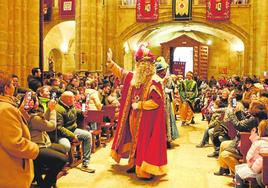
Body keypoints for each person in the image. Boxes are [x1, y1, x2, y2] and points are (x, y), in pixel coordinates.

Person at [107, 44, 167, 180]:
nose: (144, 66)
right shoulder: (134, 78)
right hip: (133, 116)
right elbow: (121, 72)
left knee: (144, 142)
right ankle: (134, 163)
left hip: (147, 119)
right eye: (141, 63)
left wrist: (140, 105)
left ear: (151, 65)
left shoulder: (155, 81)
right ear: (138, 64)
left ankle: (145, 169)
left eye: (147, 63)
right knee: (135, 141)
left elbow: (157, 102)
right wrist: (111, 63)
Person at [0, 71, 39, 188]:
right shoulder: (6, 109)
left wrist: (21, 112)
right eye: (12, 84)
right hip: (10, 168)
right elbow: (14, 143)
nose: (15, 87)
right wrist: (34, 148)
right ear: (6, 88)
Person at [19, 93, 68, 188]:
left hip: (42, 143)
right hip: (37, 146)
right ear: (32, 103)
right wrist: (53, 110)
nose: (38, 102)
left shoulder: (28, 114)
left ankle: (48, 178)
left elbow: (43, 120)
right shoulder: (33, 118)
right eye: (36, 100)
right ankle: (45, 184)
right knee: (62, 159)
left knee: (63, 149)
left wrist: (49, 109)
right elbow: (51, 126)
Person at [55, 91, 95, 173]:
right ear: (68, 99)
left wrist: (82, 112)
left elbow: (75, 111)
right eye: (73, 97)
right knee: (66, 146)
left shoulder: (70, 105)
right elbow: (59, 127)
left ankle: (85, 164)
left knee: (87, 135)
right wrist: (72, 136)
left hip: (72, 130)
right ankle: (61, 166)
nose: (75, 99)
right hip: (61, 134)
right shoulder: (58, 109)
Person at [155, 57, 179, 148]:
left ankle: (167, 139)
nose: (164, 72)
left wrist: (168, 90)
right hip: (158, 101)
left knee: (167, 119)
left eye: (164, 70)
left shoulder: (168, 78)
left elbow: (172, 87)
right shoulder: (155, 78)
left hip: (166, 100)